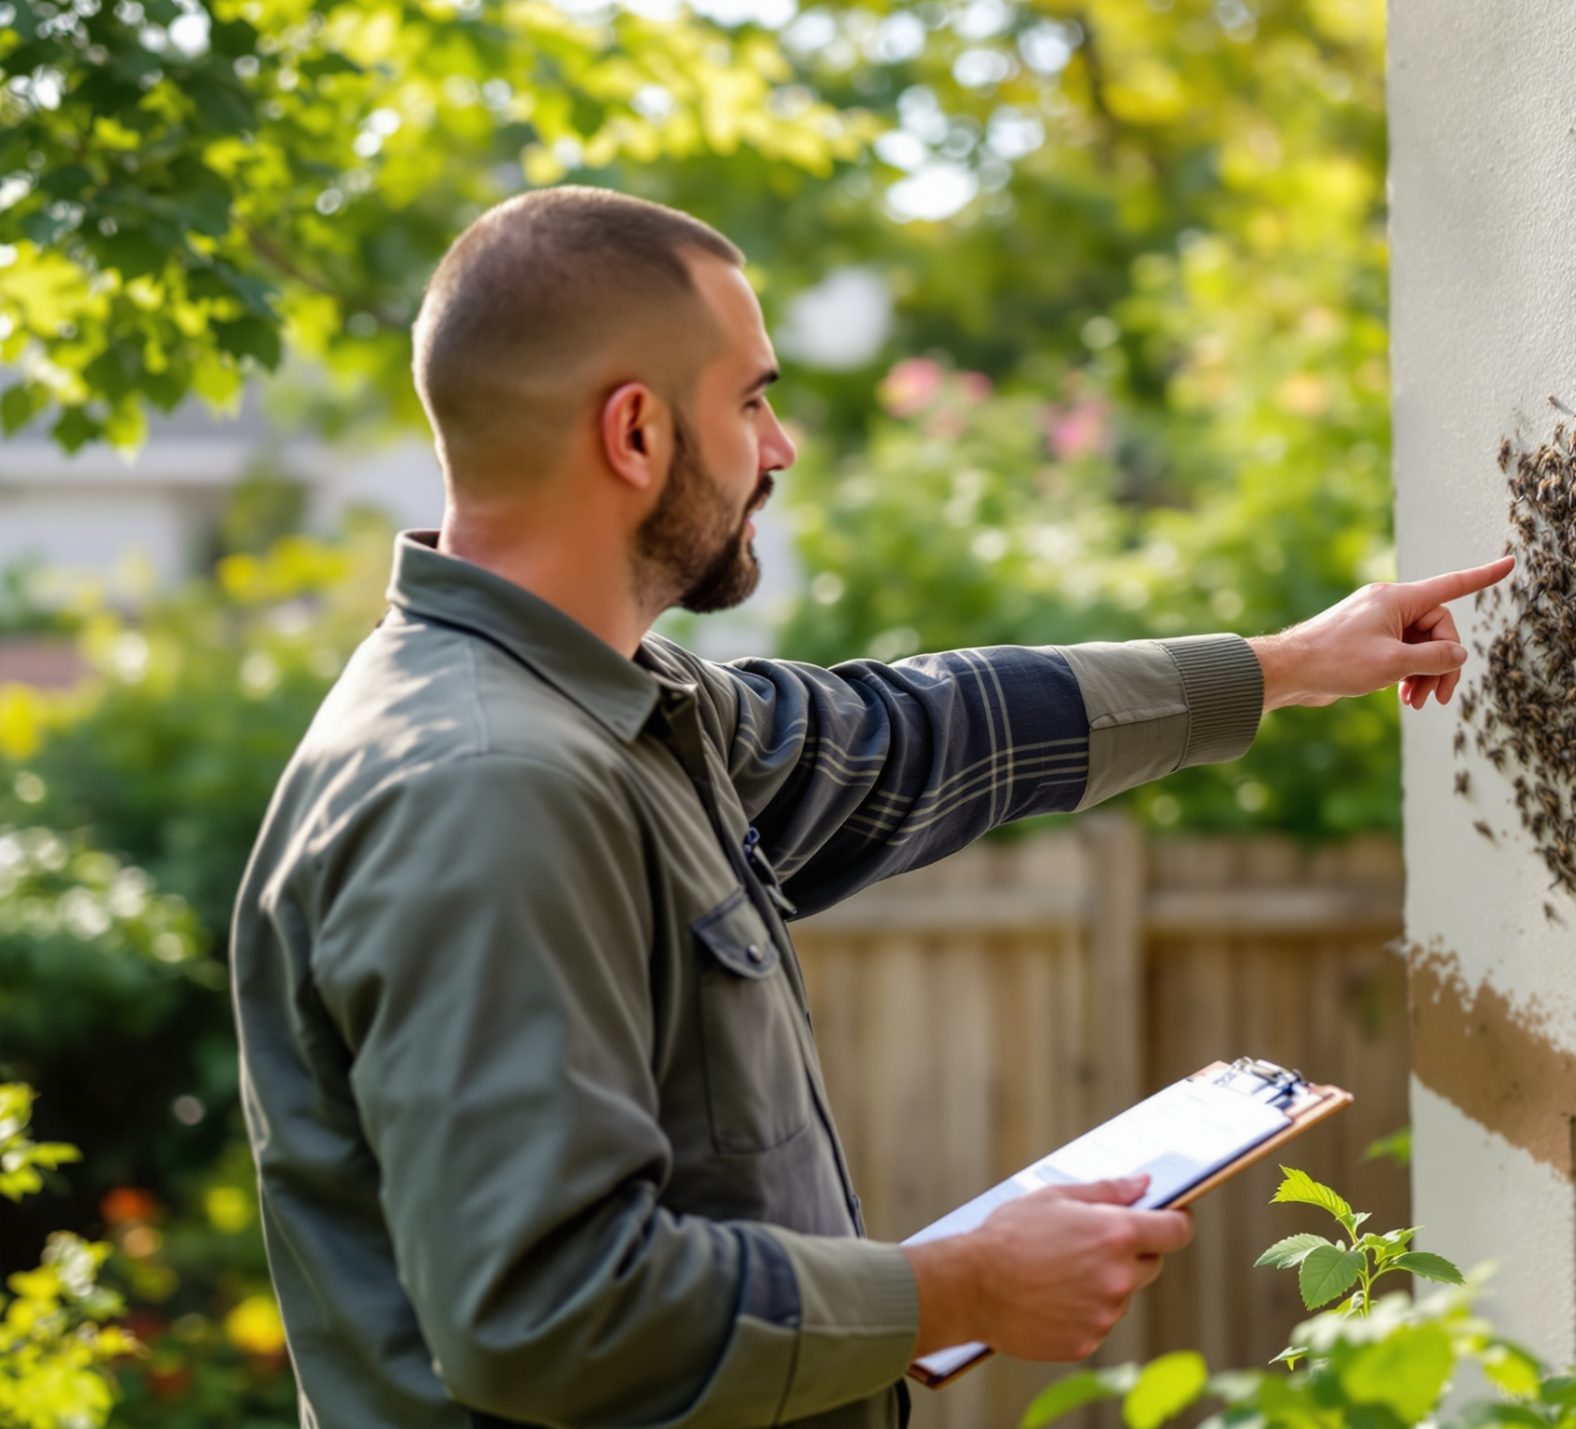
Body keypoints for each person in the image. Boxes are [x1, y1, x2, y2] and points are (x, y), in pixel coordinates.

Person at [226, 184, 1511, 1428]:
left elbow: (917, 733)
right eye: (752, 400)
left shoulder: (626, 711)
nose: (777, 447)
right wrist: (959, 1286)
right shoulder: (489, 789)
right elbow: (552, 1312)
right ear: (636, 433)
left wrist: (1283, 666)